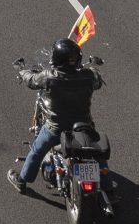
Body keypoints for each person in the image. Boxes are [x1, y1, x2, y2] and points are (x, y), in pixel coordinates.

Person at [13, 38, 102, 192]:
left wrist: (22, 70)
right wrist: (94, 71)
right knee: (96, 153)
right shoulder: (87, 76)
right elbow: (97, 82)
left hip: (55, 129)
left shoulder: (49, 76)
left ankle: (21, 180)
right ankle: (108, 188)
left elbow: (31, 80)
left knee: (37, 150)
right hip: (84, 127)